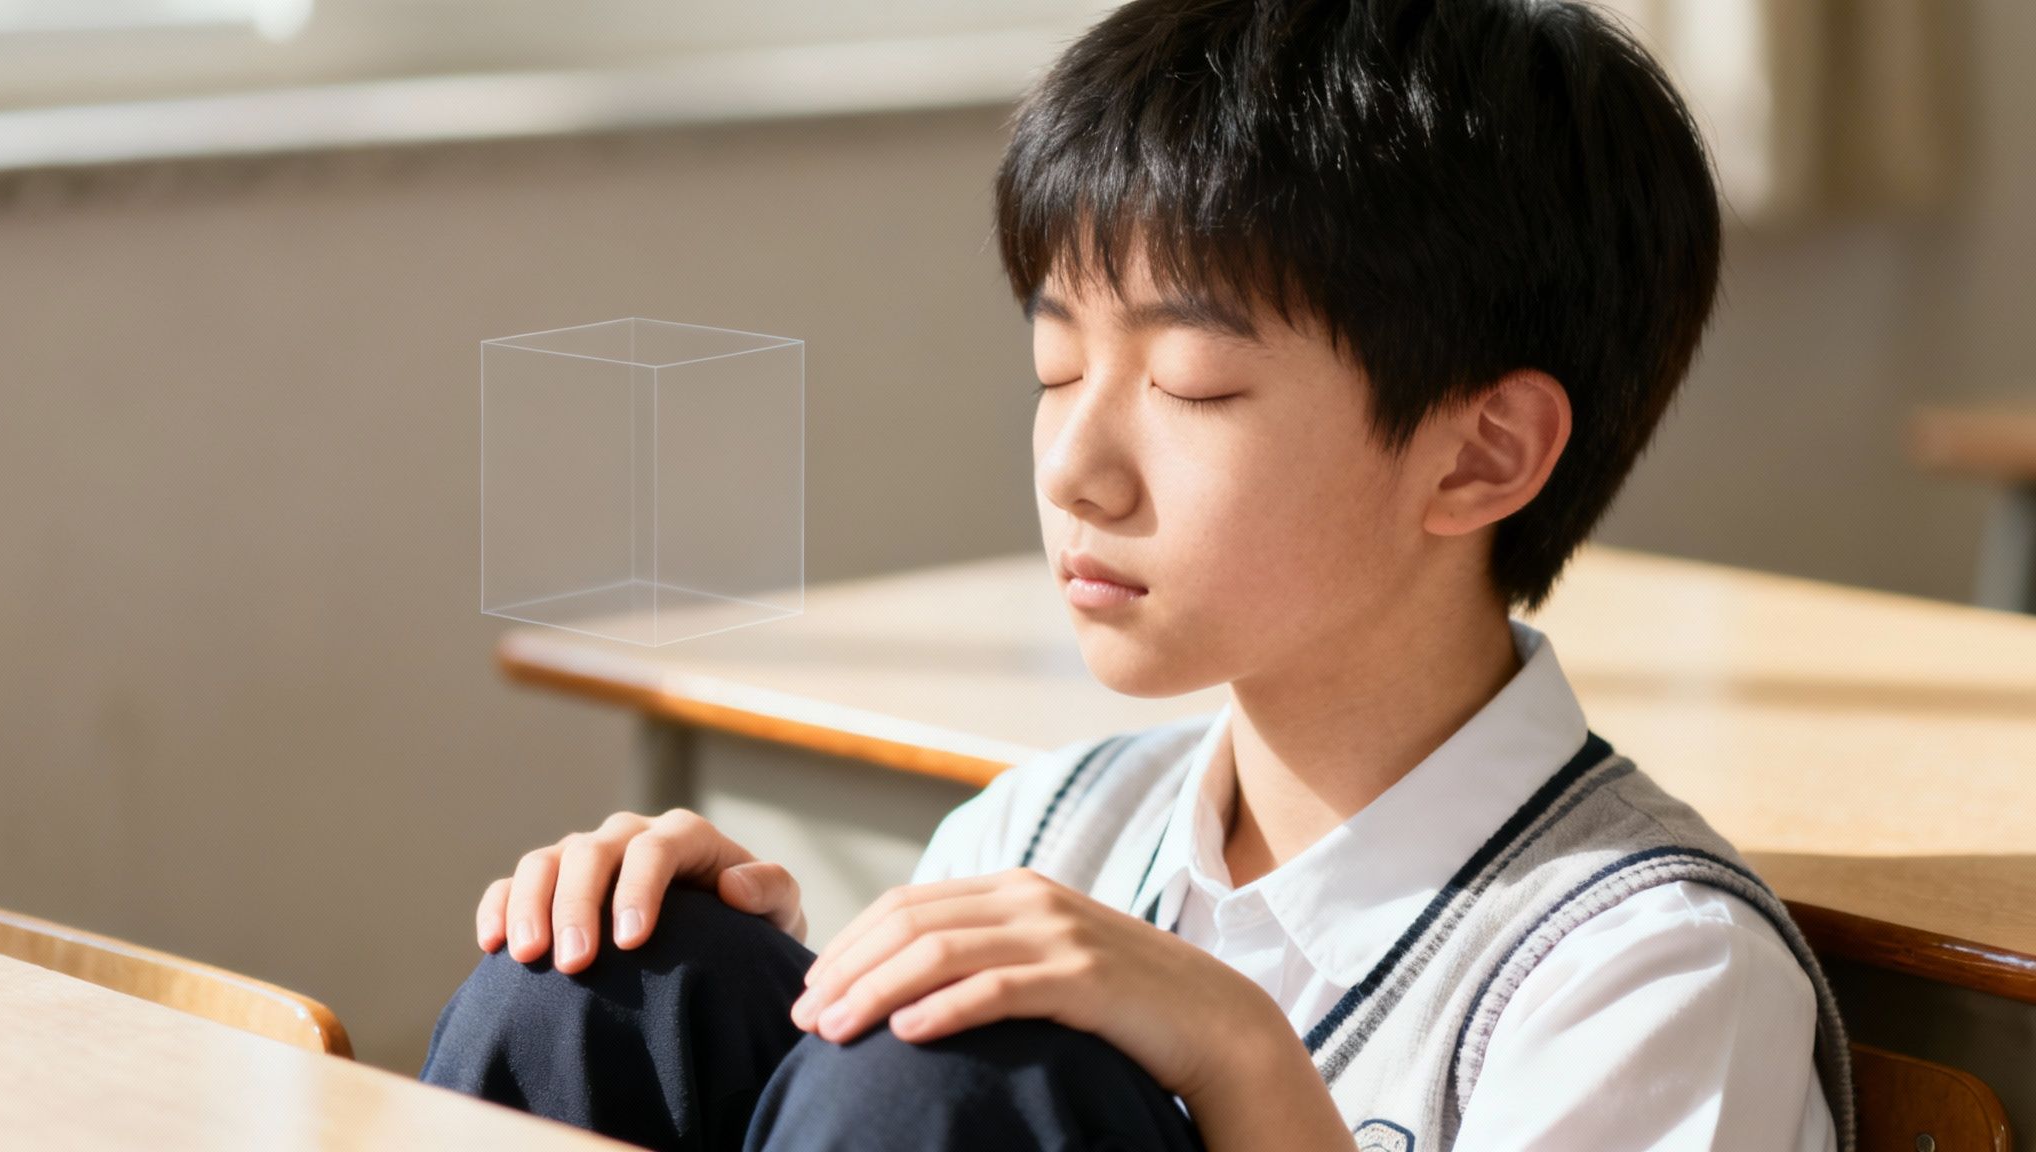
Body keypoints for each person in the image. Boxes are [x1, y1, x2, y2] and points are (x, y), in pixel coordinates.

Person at [420, 1, 1857, 1148]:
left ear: (1481, 457)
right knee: (610, 980)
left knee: (954, 1087)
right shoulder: (1052, 826)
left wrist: (1237, 1057)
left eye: (1191, 387)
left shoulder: (1645, 974)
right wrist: (756, 986)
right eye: (1057, 366)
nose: (1074, 470)